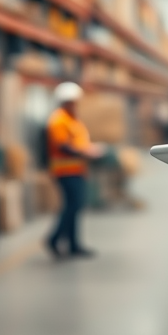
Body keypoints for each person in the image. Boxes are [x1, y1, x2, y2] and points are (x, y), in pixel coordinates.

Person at [46, 82, 103, 258]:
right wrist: (85, 152)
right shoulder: (58, 120)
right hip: (65, 171)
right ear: (65, 102)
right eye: (72, 102)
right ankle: (54, 239)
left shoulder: (72, 119)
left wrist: (90, 148)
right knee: (72, 206)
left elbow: (78, 141)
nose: (75, 105)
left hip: (77, 170)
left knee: (75, 207)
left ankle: (73, 245)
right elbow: (63, 146)